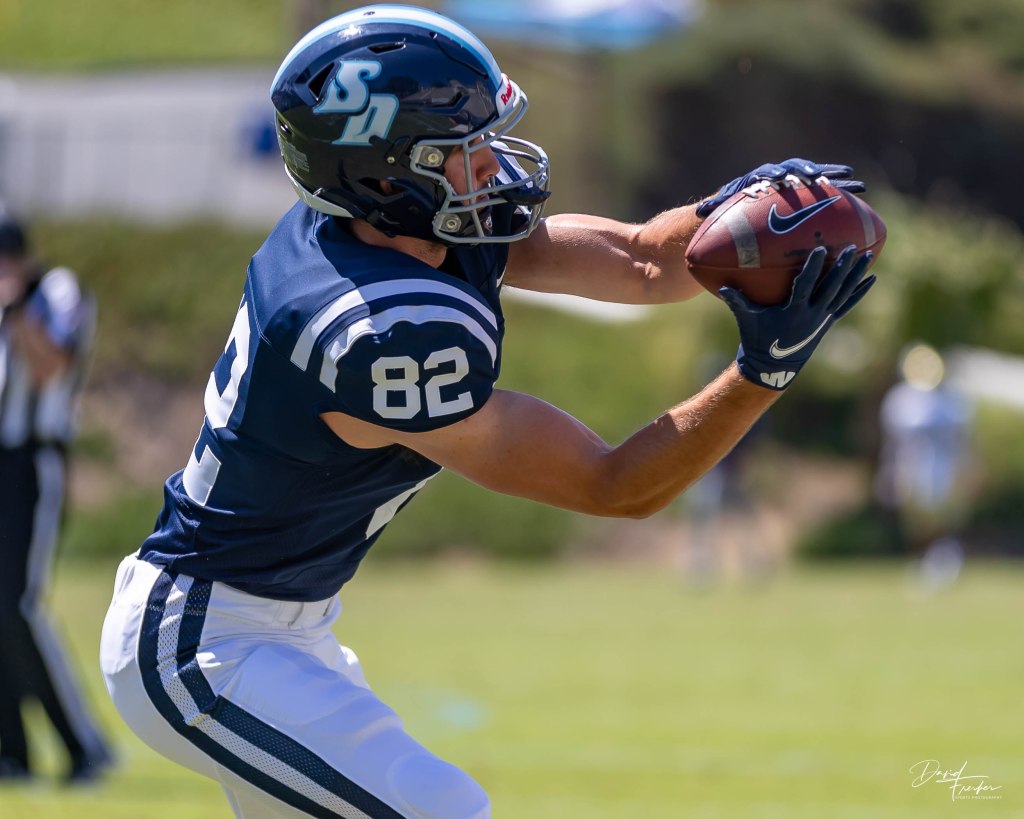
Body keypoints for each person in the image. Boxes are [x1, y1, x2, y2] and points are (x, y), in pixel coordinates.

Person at [100, 6, 876, 817]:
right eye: (464, 148)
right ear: (388, 174)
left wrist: (734, 207)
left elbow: (644, 261)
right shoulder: (380, 328)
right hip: (204, 642)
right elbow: (613, 484)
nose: (493, 164)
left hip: (284, 630)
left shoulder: (399, 228)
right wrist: (763, 371)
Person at [0, 205, 111, 782]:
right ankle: (12, 753)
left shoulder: (55, 292)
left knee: (17, 605)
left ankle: (84, 745)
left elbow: (51, 367)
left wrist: (16, 309)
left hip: (31, 463)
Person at [875, 342, 974, 590]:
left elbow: (960, 439)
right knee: (915, 520)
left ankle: (942, 560)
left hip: (941, 466)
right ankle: (921, 562)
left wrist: (966, 467)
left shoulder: (948, 400)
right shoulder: (901, 400)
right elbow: (894, 441)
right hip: (910, 465)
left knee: (940, 517)